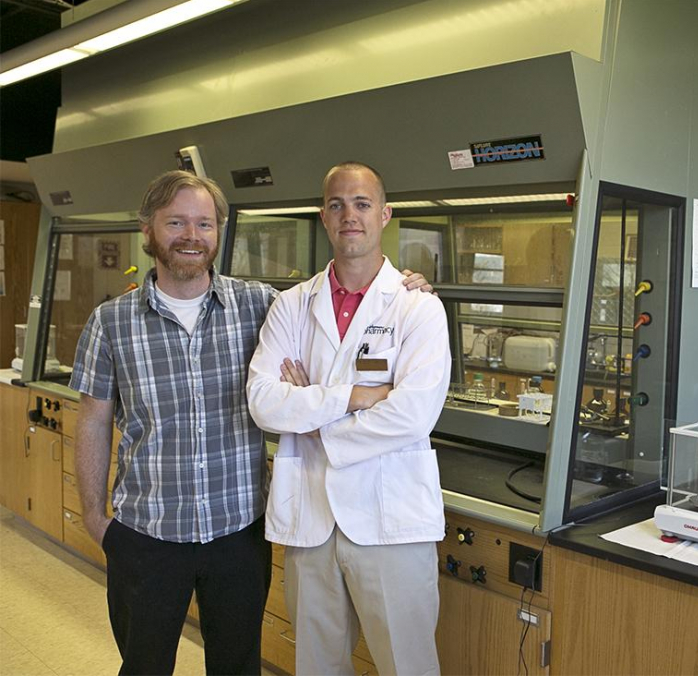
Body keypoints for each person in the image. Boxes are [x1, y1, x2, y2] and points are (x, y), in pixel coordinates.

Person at [71, 170, 431, 675]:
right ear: (148, 229)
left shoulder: (259, 304)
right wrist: (93, 515)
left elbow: (349, 316)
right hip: (146, 533)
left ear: (219, 231)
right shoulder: (110, 321)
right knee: (143, 666)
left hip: (238, 532)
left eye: (204, 223)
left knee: (238, 666)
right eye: (176, 222)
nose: (191, 236)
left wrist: (406, 284)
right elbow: (93, 420)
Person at [246, 162, 451, 676]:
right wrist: (355, 396)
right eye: (336, 205)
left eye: (361, 205)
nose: (349, 216)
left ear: (384, 215)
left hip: (390, 519)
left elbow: (413, 413)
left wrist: (312, 414)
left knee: (407, 665)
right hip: (310, 520)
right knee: (317, 665)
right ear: (323, 217)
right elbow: (264, 401)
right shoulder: (292, 305)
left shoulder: (416, 307)